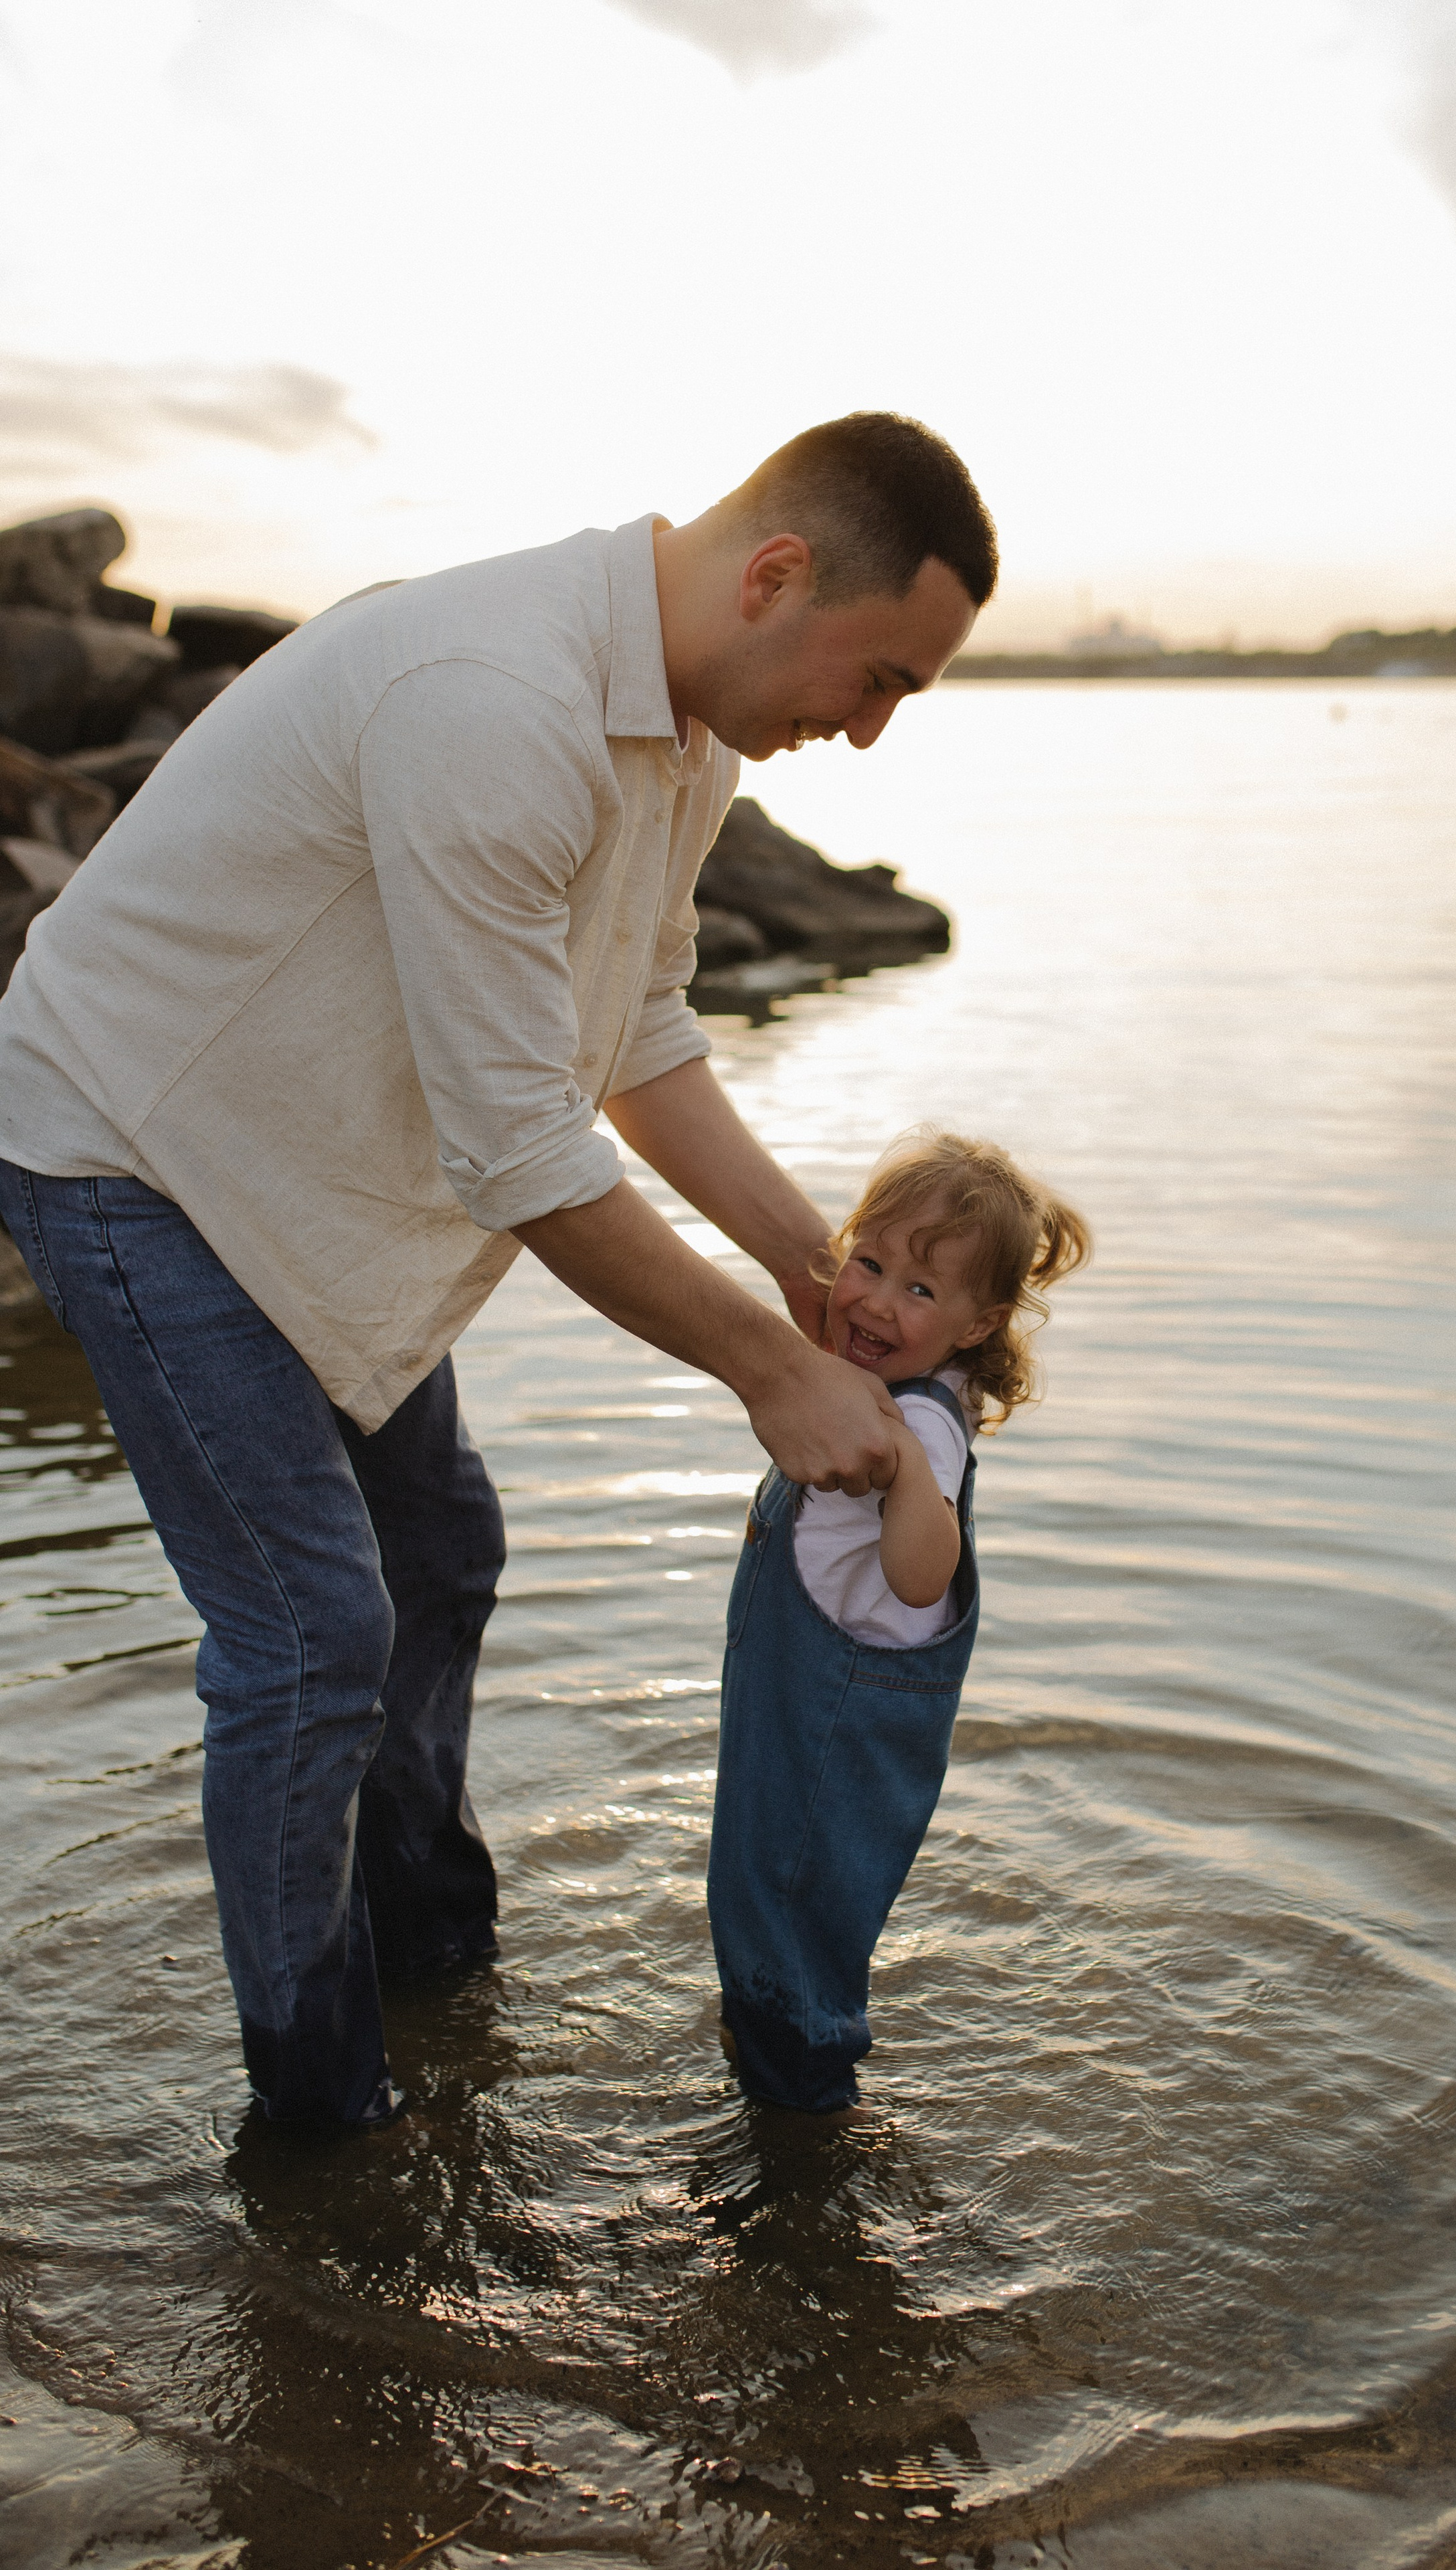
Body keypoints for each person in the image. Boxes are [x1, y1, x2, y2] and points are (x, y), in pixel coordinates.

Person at [0, 413, 998, 2130]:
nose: (867, 728)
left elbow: (637, 1032)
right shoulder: (493, 698)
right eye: (878, 677)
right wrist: (774, 1373)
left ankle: (430, 1960)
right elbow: (525, 1153)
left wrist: (809, 1272)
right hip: (130, 1146)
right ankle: (321, 2113)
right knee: (311, 1634)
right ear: (776, 576)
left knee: (441, 1545)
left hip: (305, 1161)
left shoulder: (690, 744)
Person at [708, 1130, 1090, 2118]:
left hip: (835, 1723)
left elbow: (923, 1578)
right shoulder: (882, 1381)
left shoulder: (918, 1428)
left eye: (920, 1290)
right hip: (801, 1709)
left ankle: (807, 2117)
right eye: (869, 1264)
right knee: (768, 1908)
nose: (878, 1302)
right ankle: (780, 2093)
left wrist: (911, 1473)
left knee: (794, 1925)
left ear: (979, 1324)